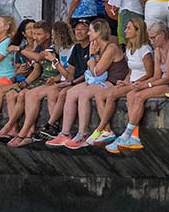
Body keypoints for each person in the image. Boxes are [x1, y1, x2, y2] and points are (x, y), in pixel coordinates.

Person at [46, 19, 125, 149]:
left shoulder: (110, 47)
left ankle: (82, 134)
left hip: (113, 82)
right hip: (100, 80)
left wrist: (92, 56)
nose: (88, 34)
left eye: (90, 31)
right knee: (70, 93)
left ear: (99, 32)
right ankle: (65, 133)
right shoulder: (95, 46)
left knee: (84, 94)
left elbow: (96, 71)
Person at [10, 20, 89, 146]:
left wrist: (18, 49)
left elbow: (70, 74)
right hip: (62, 81)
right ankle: (26, 131)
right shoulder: (61, 48)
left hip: (72, 82)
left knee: (53, 93)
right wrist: (57, 78)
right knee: (27, 95)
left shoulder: (67, 48)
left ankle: (52, 127)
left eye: (54, 35)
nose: (53, 38)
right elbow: (61, 72)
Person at [106, 20, 169, 153]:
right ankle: (134, 136)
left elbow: (168, 77)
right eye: (150, 38)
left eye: (153, 37)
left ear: (162, 35)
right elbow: (156, 75)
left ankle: (126, 134)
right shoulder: (157, 50)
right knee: (131, 94)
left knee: (139, 96)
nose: (151, 41)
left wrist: (148, 85)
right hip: (160, 81)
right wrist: (142, 84)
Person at [84, 18, 154, 146]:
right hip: (130, 82)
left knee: (111, 95)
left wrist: (134, 83)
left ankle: (100, 128)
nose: (125, 30)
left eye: (128, 28)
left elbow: (150, 73)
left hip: (140, 83)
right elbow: (130, 70)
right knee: (100, 95)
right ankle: (107, 130)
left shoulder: (145, 50)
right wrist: (126, 81)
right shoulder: (128, 48)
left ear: (137, 31)